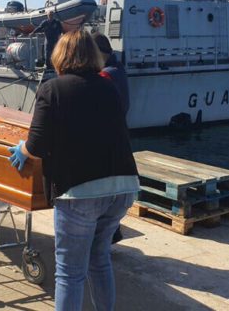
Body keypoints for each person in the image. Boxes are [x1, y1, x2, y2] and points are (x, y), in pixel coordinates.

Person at [7, 30, 139, 310]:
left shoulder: (52, 89)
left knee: (69, 272)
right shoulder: (109, 86)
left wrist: (22, 150)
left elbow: (37, 144)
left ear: (59, 55)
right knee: (98, 258)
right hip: (122, 188)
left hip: (80, 192)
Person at [93, 32, 131, 245]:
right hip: (119, 135)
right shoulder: (119, 70)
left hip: (105, 138)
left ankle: (108, 234)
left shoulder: (106, 76)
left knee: (103, 189)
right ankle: (113, 231)